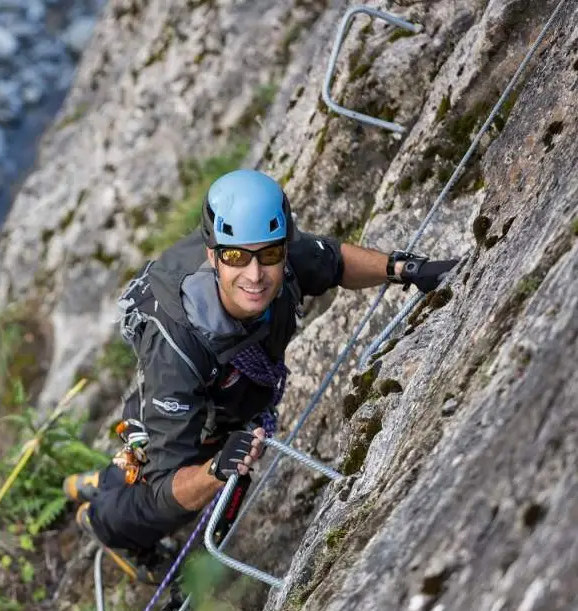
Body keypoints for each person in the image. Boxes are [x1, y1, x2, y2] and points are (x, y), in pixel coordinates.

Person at [63, 169, 458, 584]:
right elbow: (166, 484)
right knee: (162, 505)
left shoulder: (276, 258)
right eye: (236, 257)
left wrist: (404, 268)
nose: (254, 275)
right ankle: (100, 520)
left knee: (203, 474)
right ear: (213, 255)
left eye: (268, 255)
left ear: (283, 249)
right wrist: (215, 469)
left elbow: (334, 261)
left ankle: (99, 481)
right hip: (184, 406)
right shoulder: (178, 348)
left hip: (227, 401)